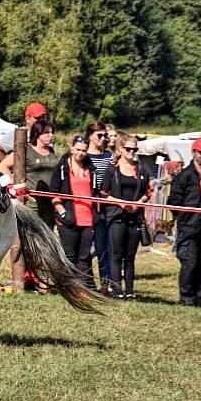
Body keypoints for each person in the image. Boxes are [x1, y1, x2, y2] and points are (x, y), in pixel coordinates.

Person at [167, 138, 201, 307]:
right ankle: (187, 298)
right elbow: (173, 202)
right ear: (193, 152)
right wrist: (185, 218)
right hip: (189, 226)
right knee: (190, 262)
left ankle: (199, 296)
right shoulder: (184, 176)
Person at [102, 135, 152, 300]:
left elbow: (147, 192)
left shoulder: (141, 169)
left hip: (135, 217)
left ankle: (130, 291)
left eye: (135, 149)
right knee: (116, 255)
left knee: (130, 256)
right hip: (116, 216)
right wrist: (121, 203)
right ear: (121, 149)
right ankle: (116, 290)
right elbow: (103, 194)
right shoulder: (112, 168)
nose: (132, 152)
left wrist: (139, 202)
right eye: (129, 149)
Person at [49, 135, 97, 288]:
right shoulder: (61, 168)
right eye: (78, 149)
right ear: (71, 148)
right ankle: (67, 287)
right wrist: (62, 212)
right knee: (69, 255)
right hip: (68, 216)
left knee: (84, 256)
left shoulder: (91, 169)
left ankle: (82, 288)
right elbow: (53, 193)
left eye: (84, 150)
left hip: (88, 217)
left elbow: (95, 192)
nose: (80, 153)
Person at [0, 119, 58, 228]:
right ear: (38, 133)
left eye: (52, 132)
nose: (51, 135)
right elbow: (2, 166)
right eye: (47, 132)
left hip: (49, 200)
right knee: (31, 231)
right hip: (31, 200)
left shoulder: (51, 151)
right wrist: (14, 185)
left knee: (48, 231)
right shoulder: (27, 150)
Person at [86, 121, 113, 294]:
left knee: (103, 247)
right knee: (85, 248)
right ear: (90, 135)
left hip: (104, 208)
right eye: (99, 135)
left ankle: (105, 284)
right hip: (86, 206)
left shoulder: (109, 156)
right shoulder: (82, 155)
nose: (103, 139)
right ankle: (87, 282)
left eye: (105, 135)